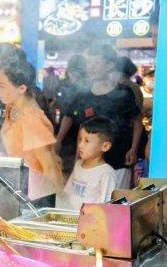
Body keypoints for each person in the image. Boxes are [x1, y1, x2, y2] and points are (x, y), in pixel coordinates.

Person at [61, 45, 142, 189]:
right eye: (88, 63)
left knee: (114, 204)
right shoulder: (83, 94)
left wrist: (133, 149)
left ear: (109, 65)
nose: (90, 67)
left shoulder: (123, 93)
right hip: (88, 162)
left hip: (118, 160)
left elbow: (136, 121)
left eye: (96, 63)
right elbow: (80, 126)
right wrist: (76, 158)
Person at [0, 45, 63, 206]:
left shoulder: (31, 119)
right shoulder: (12, 107)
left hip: (37, 197)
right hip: (21, 188)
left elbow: (50, 168)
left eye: (2, 86)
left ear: (22, 88)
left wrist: (55, 210)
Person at [56, 116, 117, 211]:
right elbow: (67, 193)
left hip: (90, 224)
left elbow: (107, 208)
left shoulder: (106, 173)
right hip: (71, 220)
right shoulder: (78, 164)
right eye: (80, 139)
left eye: (86, 141)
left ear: (105, 146)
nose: (80, 145)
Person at [54, 54, 88, 176]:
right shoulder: (90, 86)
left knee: (68, 172)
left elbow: (68, 117)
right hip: (87, 139)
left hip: (70, 137)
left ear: (71, 71)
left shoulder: (70, 88)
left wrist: (58, 140)